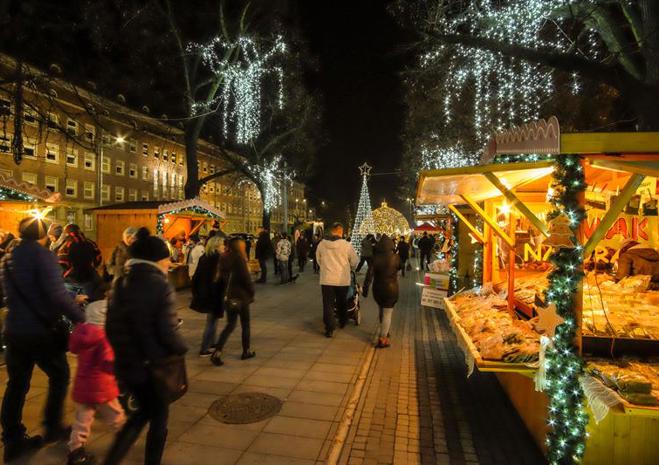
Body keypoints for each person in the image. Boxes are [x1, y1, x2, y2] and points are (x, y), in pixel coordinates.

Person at [0, 217, 86, 462]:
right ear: (43, 235)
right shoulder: (44, 256)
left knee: (17, 384)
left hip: (14, 330)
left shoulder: (8, 258)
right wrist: (80, 318)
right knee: (59, 375)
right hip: (40, 331)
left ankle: (12, 440)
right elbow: (57, 295)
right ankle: (52, 425)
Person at [104, 227, 187, 465]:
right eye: (166, 259)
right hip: (154, 366)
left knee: (140, 414)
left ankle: (112, 459)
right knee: (158, 417)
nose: (168, 263)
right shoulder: (160, 285)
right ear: (157, 260)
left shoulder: (121, 282)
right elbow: (167, 331)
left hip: (127, 364)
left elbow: (110, 326)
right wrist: (181, 347)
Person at [67, 296, 126, 465]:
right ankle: (125, 439)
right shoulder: (103, 339)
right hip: (102, 388)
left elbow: (73, 348)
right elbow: (109, 363)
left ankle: (75, 452)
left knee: (82, 421)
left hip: (82, 387)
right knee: (116, 416)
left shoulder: (81, 333)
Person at [211, 237, 255, 366]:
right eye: (242, 245)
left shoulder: (224, 258)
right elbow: (246, 279)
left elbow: (219, 278)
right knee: (245, 324)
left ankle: (217, 351)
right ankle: (246, 351)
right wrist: (251, 292)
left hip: (229, 297)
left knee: (230, 325)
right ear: (238, 246)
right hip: (241, 297)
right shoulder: (239, 259)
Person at [316, 223, 358, 338]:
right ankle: (343, 321)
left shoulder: (322, 244)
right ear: (340, 232)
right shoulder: (346, 245)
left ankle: (329, 328)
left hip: (327, 279)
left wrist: (325, 268)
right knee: (342, 301)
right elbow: (354, 261)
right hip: (342, 279)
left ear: (332, 231)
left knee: (328, 304)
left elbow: (318, 260)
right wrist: (350, 268)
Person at [190, 236, 225, 356]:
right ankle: (204, 348)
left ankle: (212, 343)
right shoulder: (217, 259)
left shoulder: (204, 257)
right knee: (211, 322)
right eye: (222, 244)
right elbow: (219, 278)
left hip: (205, 293)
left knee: (213, 319)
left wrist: (196, 292)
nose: (224, 247)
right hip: (213, 293)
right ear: (216, 246)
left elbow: (196, 276)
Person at [363, 235, 400, 348]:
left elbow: (369, 275)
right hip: (391, 289)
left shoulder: (375, 258)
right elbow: (400, 266)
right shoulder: (395, 257)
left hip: (378, 289)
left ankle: (385, 330)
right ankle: (383, 338)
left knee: (381, 309)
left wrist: (365, 289)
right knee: (387, 313)